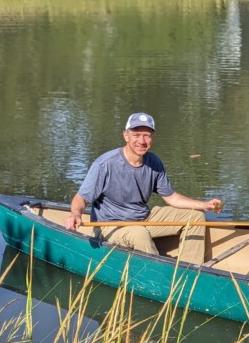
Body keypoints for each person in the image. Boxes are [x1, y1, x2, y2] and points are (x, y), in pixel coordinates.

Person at [65, 112, 222, 264]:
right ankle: (160, 276)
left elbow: (171, 197)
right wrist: (75, 214)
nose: (142, 140)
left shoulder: (154, 162)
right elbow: (81, 198)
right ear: (126, 135)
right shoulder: (105, 164)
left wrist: (204, 205)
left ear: (152, 138)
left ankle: (189, 272)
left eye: (147, 135)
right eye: (136, 135)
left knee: (196, 218)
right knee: (139, 234)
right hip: (111, 225)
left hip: (143, 217)